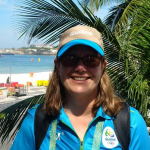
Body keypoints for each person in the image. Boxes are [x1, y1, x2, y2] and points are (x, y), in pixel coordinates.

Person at [10, 25, 150, 150]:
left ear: (103, 66)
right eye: (70, 59)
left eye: (91, 60)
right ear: (57, 65)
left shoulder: (130, 123)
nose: (80, 68)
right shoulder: (37, 120)